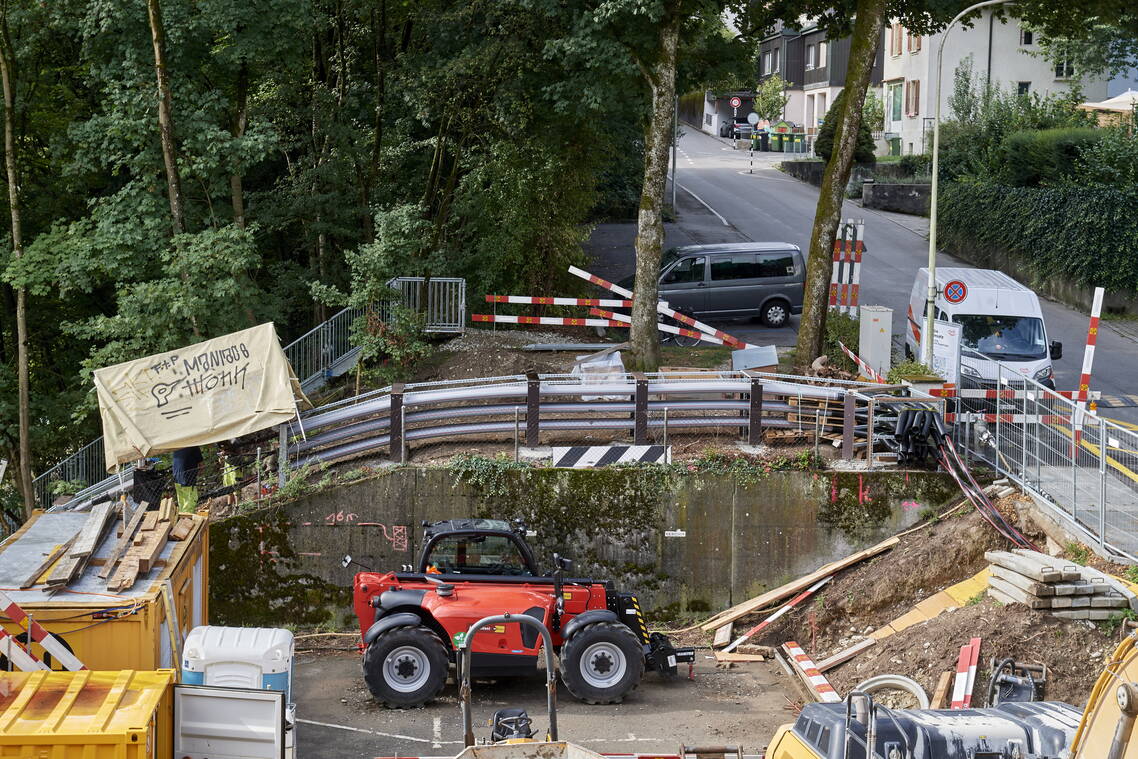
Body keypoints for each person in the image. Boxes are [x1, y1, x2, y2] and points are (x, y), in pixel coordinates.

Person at [172, 446, 203, 513]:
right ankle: (188, 518)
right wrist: (200, 472)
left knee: (182, 501)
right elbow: (201, 464)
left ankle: (182, 516)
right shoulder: (194, 446)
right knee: (191, 500)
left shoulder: (177, 446)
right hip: (187, 478)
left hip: (177, 478)